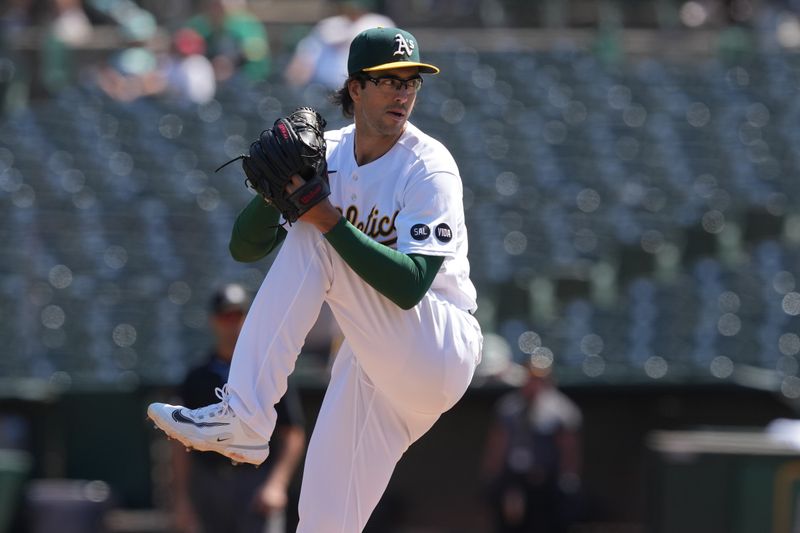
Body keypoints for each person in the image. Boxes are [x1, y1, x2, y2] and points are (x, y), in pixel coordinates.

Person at [148, 26, 483, 532]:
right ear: (355, 87)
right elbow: (244, 248)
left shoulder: (429, 166)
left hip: (437, 345)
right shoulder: (326, 153)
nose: (404, 92)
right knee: (324, 521)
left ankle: (246, 417)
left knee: (315, 235)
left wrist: (321, 214)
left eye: (412, 80)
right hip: (372, 361)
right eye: (390, 80)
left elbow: (413, 283)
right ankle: (247, 419)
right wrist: (271, 194)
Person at [170, 283, 306, 533]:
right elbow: (180, 441)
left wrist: (277, 483)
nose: (232, 323)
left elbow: (292, 433)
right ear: (214, 320)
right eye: (225, 316)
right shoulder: (197, 376)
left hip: (255, 482)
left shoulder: (266, 372)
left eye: (238, 315)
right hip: (209, 483)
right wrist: (182, 500)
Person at [481, 363, 583, 533]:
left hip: (546, 482)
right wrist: (491, 473)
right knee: (510, 523)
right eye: (530, 378)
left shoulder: (561, 410)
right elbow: (497, 443)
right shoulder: (509, 407)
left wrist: (569, 476)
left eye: (538, 379)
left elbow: (569, 448)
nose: (533, 383)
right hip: (514, 481)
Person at [283, 0, 394, 90]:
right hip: (322, 91)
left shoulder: (379, 23)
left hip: (363, 90)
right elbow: (303, 59)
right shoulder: (329, 24)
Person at [183, 0, 271, 83]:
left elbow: (254, 53)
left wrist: (230, 61)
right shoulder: (203, 24)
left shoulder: (246, 24)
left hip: (246, 79)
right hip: (211, 77)